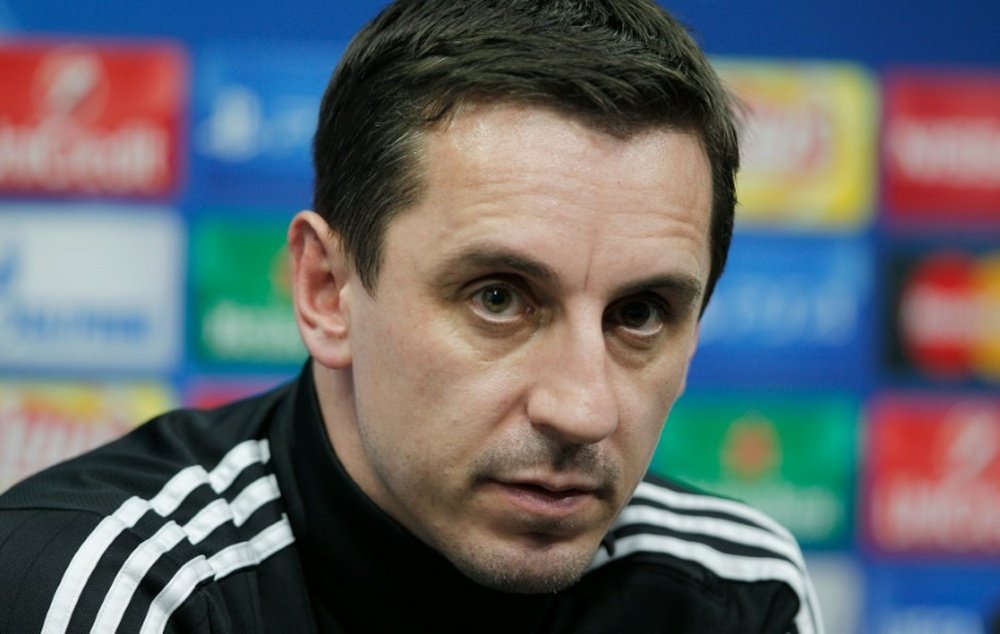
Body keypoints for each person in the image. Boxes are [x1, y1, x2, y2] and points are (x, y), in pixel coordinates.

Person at [0, 0, 823, 632]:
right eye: (498, 298)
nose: (584, 409)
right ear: (326, 290)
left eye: (640, 313)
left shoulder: (734, 593)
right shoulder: (117, 591)